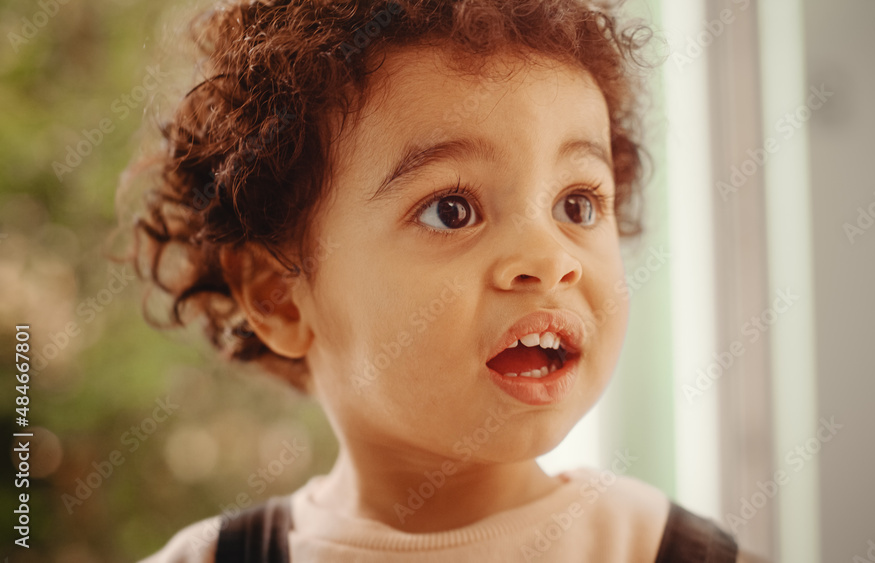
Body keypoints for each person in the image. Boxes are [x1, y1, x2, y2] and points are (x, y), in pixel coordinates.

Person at [127, 0, 763, 560]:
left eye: (577, 204)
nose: (549, 259)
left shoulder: (669, 552)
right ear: (279, 297)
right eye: (452, 210)